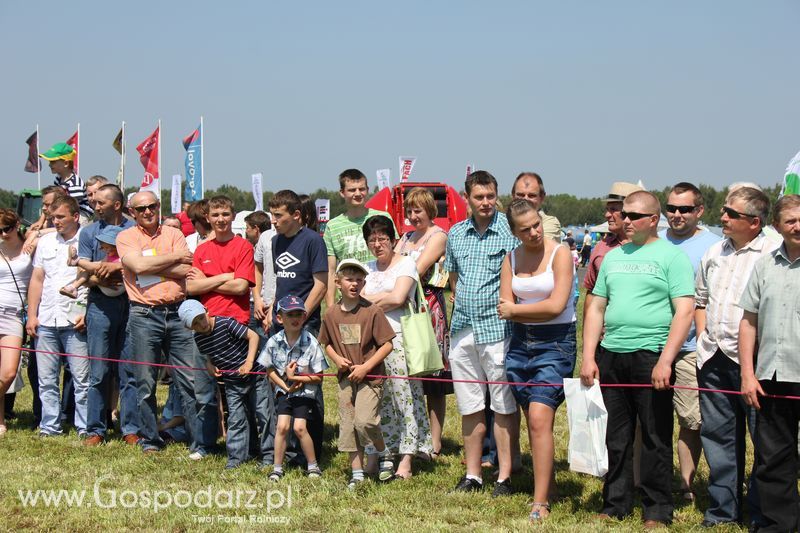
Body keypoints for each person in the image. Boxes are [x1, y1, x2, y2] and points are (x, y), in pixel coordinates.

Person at [580, 191, 694, 528]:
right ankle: (615, 501)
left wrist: (666, 361)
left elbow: (684, 311)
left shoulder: (672, 258)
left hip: (652, 355)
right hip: (612, 354)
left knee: (656, 436)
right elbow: (596, 307)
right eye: (624, 215)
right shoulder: (612, 257)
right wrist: (589, 356)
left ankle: (657, 507)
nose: (625, 221)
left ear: (653, 219)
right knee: (616, 436)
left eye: (634, 216)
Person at [116, 191, 218, 458]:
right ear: (132, 212)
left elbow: (188, 268)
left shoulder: (173, 234)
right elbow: (137, 266)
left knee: (190, 380)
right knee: (145, 382)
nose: (148, 211)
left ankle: (199, 443)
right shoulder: (126, 237)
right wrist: (169, 260)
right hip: (143, 315)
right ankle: (150, 439)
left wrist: (151, 265)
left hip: (178, 314)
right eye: (142, 208)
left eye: (152, 206)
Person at [694, 186, 774, 527]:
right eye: (724, 211)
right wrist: (702, 338)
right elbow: (700, 299)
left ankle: (760, 512)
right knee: (717, 439)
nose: (722, 217)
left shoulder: (772, 253)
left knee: (765, 442)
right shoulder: (715, 251)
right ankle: (722, 512)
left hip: (755, 364)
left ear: (754, 222)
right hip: (713, 358)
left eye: (731, 214)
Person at [497, 199, 576, 521]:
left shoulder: (561, 254)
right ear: (514, 232)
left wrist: (517, 310)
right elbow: (503, 302)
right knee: (532, 417)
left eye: (536, 225)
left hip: (555, 344)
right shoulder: (510, 258)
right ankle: (549, 483)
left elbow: (557, 305)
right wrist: (515, 310)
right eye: (525, 229)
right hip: (519, 343)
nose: (533, 232)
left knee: (541, 417)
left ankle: (540, 501)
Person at [445, 170, 519, 496]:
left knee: (503, 405)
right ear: (468, 199)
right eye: (479, 197)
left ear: (496, 196)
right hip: (462, 330)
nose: (486, 202)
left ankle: (504, 476)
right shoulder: (456, 233)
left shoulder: (510, 229)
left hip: (498, 329)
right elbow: (453, 277)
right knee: (470, 404)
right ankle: (473, 474)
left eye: (490, 196)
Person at [740, 194, 800, 532]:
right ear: (777, 226)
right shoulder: (764, 266)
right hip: (770, 376)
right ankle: (779, 525)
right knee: (773, 459)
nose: (797, 225)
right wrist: (748, 373)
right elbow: (748, 321)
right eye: (790, 220)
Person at [657, 182, 720, 502]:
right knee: (652, 418)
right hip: (652, 343)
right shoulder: (654, 240)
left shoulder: (714, 245)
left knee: (690, 420)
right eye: (671, 208)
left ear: (700, 211)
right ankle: (652, 479)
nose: (677, 215)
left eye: (684, 209)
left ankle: (684, 483)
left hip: (691, 348)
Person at [362, 215, 434, 478]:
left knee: (404, 395)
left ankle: (408, 455)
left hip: (400, 339)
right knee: (379, 398)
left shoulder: (406, 264)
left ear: (393, 240)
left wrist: (369, 301)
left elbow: (399, 297)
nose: (378, 244)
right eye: (372, 240)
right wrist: (383, 299)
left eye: (382, 238)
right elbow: (354, 299)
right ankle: (385, 450)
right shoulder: (366, 268)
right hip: (371, 342)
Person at [318, 259, 396, 489]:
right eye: (349, 279)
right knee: (348, 426)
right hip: (345, 379)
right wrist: (336, 359)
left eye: (359, 280)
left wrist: (366, 367)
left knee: (365, 421)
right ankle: (357, 473)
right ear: (338, 282)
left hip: (370, 378)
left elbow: (387, 345)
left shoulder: (372, 311)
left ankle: (384, 453)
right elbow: (327, 343)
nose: (354, 284)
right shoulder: (331, 313)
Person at [72, 184, 140, 446]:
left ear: (116, 204)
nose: (95, 205)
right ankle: (96, 429)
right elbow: (83, 275)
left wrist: (115, 274)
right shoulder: (89, 233)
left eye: (100, 202)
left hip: (133, 303)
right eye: (94, 201)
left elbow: (141, 267)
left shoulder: (134, 231)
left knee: (129, 370)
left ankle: (130, 428)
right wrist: (99, 280)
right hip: (100, 305)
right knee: (99, 370)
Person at [26, 196, 91, 438]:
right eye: (53, 217)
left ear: (75, 217)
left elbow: (93, 282)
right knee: (46, 378)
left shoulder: (87, 239)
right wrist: (32, 315)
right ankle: (50, 426)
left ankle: (85, 427)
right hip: (47, 319)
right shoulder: (45, 242)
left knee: (82, 379)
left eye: (61, 217)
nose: (56, 221)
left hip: (75, 319)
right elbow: (37, 279)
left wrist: (87, 313)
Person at [395, 187, 451, 459]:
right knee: (408, 373)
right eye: (410, 210)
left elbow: (412, 270)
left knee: (432, 376)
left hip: (427, 306)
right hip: (403, 307)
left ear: (430, 210)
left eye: (418, 210)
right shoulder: (404, 237)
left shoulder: (437, 236)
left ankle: (435, 442)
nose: (413, 215)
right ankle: (412, 433)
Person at [179, 298, 262, 469]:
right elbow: (208, 355)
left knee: (262, 414)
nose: (201, 324)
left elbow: (253, 336)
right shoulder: (199, 339)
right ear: (189, 328)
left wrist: (248, 363)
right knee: (236, 419)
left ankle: (268, 455)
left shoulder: (225, 324)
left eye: (201, 318)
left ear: (206, 311)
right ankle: (235, 459)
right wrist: (210, 365)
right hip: (232, 382)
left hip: (255, 376)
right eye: (195, 324)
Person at [259, 295, 328, 480]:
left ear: (305, 317)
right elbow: (269, 370)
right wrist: (285, 386)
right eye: (290, 315)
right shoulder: (274, 341)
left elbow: (319, 377)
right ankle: (277, 468)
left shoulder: (311, 342)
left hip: (305, 394)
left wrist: (295, 378)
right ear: (279, 319)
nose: (295, 318)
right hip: (284, 393)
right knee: (281, 427)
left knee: (299, 428)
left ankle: (312, 465)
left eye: (299, 314)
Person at [324, 169, 393, 308]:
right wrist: (331, 308)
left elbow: (395, 257)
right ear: (342, 192)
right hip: (349, 297)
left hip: (380, 296)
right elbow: (330, 271)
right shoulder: (332, 226)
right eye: (352, 190)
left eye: (362, 189)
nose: (357, 194)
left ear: (367, 190)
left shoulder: (383, 218)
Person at [187, 195, 255, 326]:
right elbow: (191, 287)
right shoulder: (201, 250)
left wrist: (205, 282)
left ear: (233, 216)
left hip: (237, 321)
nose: (220, 219)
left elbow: (240, 287)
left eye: (225, 214)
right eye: (215, 215)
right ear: (207, 218)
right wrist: (226, 276)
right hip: (207, 322)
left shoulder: (244, 246)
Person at [583, 181, 643, 315]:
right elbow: (591, 293)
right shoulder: (601, 247)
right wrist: (587, 334)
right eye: (607, 209)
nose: (607, 215)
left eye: (614, 209)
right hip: (606, 334)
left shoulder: (653, 248)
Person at [0, 209, 33, 436]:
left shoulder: (32, 243)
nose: (2, 234)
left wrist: (33, 235)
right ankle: (0, 419)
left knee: (9, 373)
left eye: (7, 229)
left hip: (14, 315)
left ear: (17, 225)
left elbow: (50, 228)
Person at [59, 225, 125, 299]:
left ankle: (77, 261)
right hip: (107, 285)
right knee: (88, 268)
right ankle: (73, 287)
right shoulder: (109, 256)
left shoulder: (124, 256)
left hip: (117, 287)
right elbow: (98, 264)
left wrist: (84, 264)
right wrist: (87, 266)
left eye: (108, 247)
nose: (105, 250)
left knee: (99, 267)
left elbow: (100, 266)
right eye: (103, 247)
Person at [39, 142, 93, 221]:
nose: (49, 165)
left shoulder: (75, 184)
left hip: (80, 215)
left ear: (66, 163)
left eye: (53, 162)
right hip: (64, 211)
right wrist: (41, 221)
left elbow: (71, 207)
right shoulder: (58, 179)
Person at [246, 211, 277, 333]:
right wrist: (257, 297)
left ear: (256, 229)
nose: (246, 231)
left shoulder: (270, 240)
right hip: (258, 302)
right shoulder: (263, 240)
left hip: (270, 303)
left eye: (248, 228)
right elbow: (256, 270)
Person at [511, 172, 562, 241]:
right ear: (513, 196)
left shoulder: (550, 223)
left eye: (531, 195)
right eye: (521, 195)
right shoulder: (504, 223)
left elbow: (536, 247)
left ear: (542, 198)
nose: (525, 199)